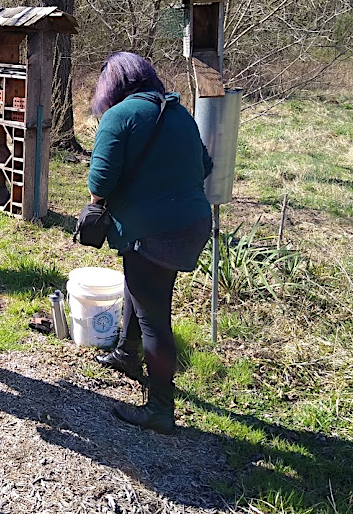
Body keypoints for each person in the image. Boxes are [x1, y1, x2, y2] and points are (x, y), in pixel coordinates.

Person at [87, 52, 213, 434]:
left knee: (155, 317)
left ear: (112, 87)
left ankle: (160, 408)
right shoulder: (179, 113)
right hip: (191, 223)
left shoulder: (118, 117)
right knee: (144, 291)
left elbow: (99, 184)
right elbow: (205, 166)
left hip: (153, 231)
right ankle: (127, 353)